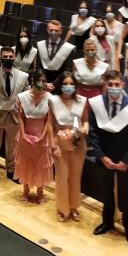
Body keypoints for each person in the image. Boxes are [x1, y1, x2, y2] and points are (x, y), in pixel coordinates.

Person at [88, 71, 128, 245]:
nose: (113, 88)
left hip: (125, 159)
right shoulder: (97, 104)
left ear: (123, 85)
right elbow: (92, 132)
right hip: (104, 157)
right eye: (110, 84)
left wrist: (126, 160)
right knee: (106, 192)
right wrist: (101, 156)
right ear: (105, 85)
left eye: (117, 84)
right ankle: (107, 222)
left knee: (126, 194)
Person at [0, 47, 27, 185]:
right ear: (0, 58)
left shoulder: (22, 76)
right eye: (5, 57)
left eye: (10, 57)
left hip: (14, 118)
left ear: (14, 58)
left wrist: (22, 115)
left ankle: (11, 170)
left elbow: (26, 97)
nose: (8, 59)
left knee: (12, 148)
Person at [49, 72, 89, 222]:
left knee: (75, 177)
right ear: (60, 85)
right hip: (60, 143)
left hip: (78, 143)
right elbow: (50, 125)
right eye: (65, 84)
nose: (68, 86)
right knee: (62, 177)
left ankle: (74, 207)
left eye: (71, 84)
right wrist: (53, 145)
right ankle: (62, 208)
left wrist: (85, 128)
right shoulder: (53, 101)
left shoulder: (82, 101)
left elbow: (85, 120)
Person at [14, 70, 54, 203]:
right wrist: (23, 134)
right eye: (39, 80)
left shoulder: (50, 98)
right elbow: (20, 117)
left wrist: (43, 137)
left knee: (40, 164)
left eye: (44, 81)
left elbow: (49, 121)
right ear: (33, 80)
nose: (41, 83)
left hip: (42, 134)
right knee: (25, 162)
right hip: (25, 133)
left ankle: (40, 192)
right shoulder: (22, 97)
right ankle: (25, 190)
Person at [36, 20, 76, 87]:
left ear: (61, 31)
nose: (53, 32)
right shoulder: (40, 45)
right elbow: (38, 66)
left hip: (59, 85)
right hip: (42, 83)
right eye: (51, 30)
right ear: (47, 30)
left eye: (56, 30)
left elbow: (67, 70)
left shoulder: (68, 48)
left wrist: (54, 84)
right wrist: (44, 83)